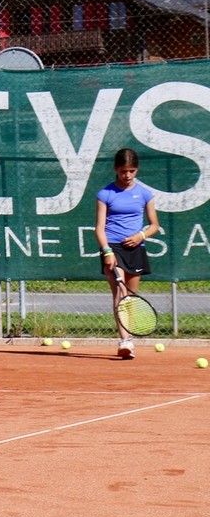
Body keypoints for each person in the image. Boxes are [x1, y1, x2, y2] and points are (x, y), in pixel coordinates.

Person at [94, 148, 159, 360]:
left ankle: (128, 339)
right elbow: (99, 228)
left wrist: (141, 235)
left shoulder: (145, 194)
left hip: (136, 249)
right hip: (113, 248)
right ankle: (124, 341)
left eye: (131, 170)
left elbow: (154, 225)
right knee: (120, 294)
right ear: (116, 168)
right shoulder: (105, 194)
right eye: (123, 171)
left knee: (130, 297)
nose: (127, 175)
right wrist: (107, 252)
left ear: (136, 169)